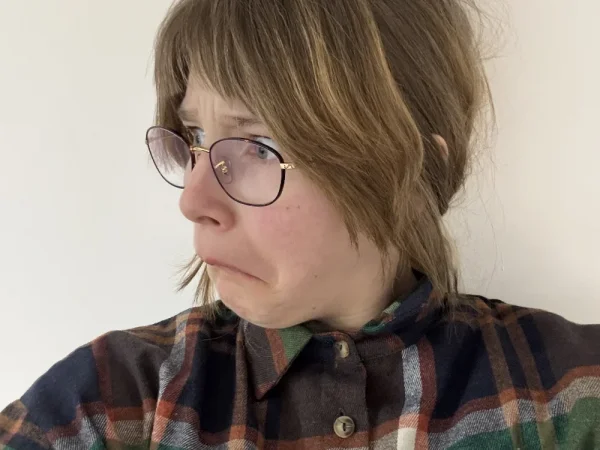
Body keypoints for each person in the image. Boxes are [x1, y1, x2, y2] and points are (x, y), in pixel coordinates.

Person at [1, 0, 599, 448]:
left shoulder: (570, 394)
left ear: (414, 172)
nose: (194, 199)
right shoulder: (108, 403)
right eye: (197, 136)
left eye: (259, 145)